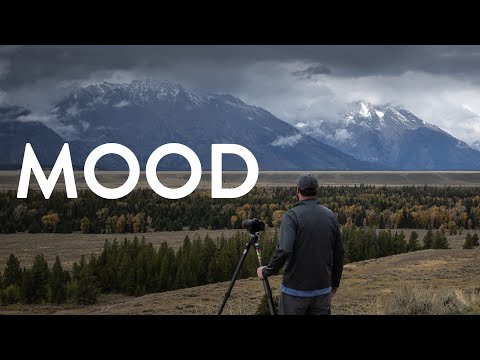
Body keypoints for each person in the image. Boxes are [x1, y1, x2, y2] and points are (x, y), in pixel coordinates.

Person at [257, 173, 344, 315]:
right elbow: (339, 253)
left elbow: (284, 249)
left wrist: (266, 271)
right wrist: (335, 283)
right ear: (316, 191)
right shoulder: (330, 216)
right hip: (322, 291)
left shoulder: (291, 216)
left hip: (294, 293)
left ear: (297, 190)